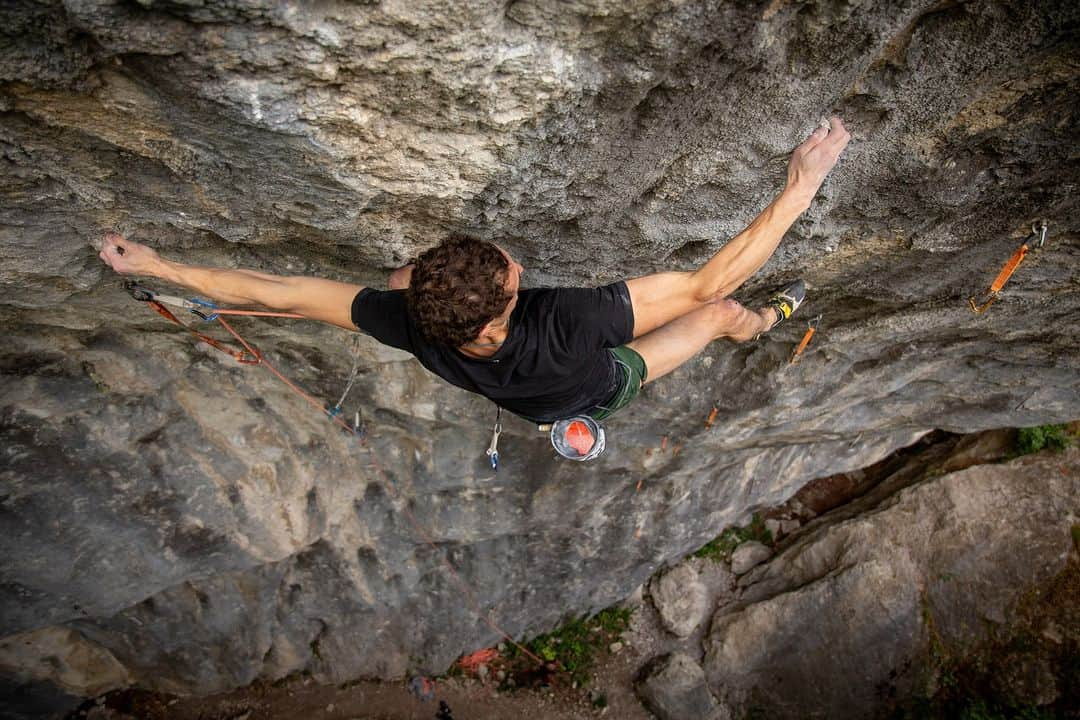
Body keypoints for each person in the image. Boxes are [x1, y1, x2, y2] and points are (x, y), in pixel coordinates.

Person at [99, 118, 850, 424]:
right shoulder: (572, 323)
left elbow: (276, 292)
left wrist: (162, 264)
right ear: (503, 309)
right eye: (509, 272)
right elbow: (704, 284)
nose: (515, 259)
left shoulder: (410, 319)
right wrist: (801, 186)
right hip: (589, 388)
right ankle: (765, 326)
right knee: (718, 316)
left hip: (507, 389)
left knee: (390, 280)